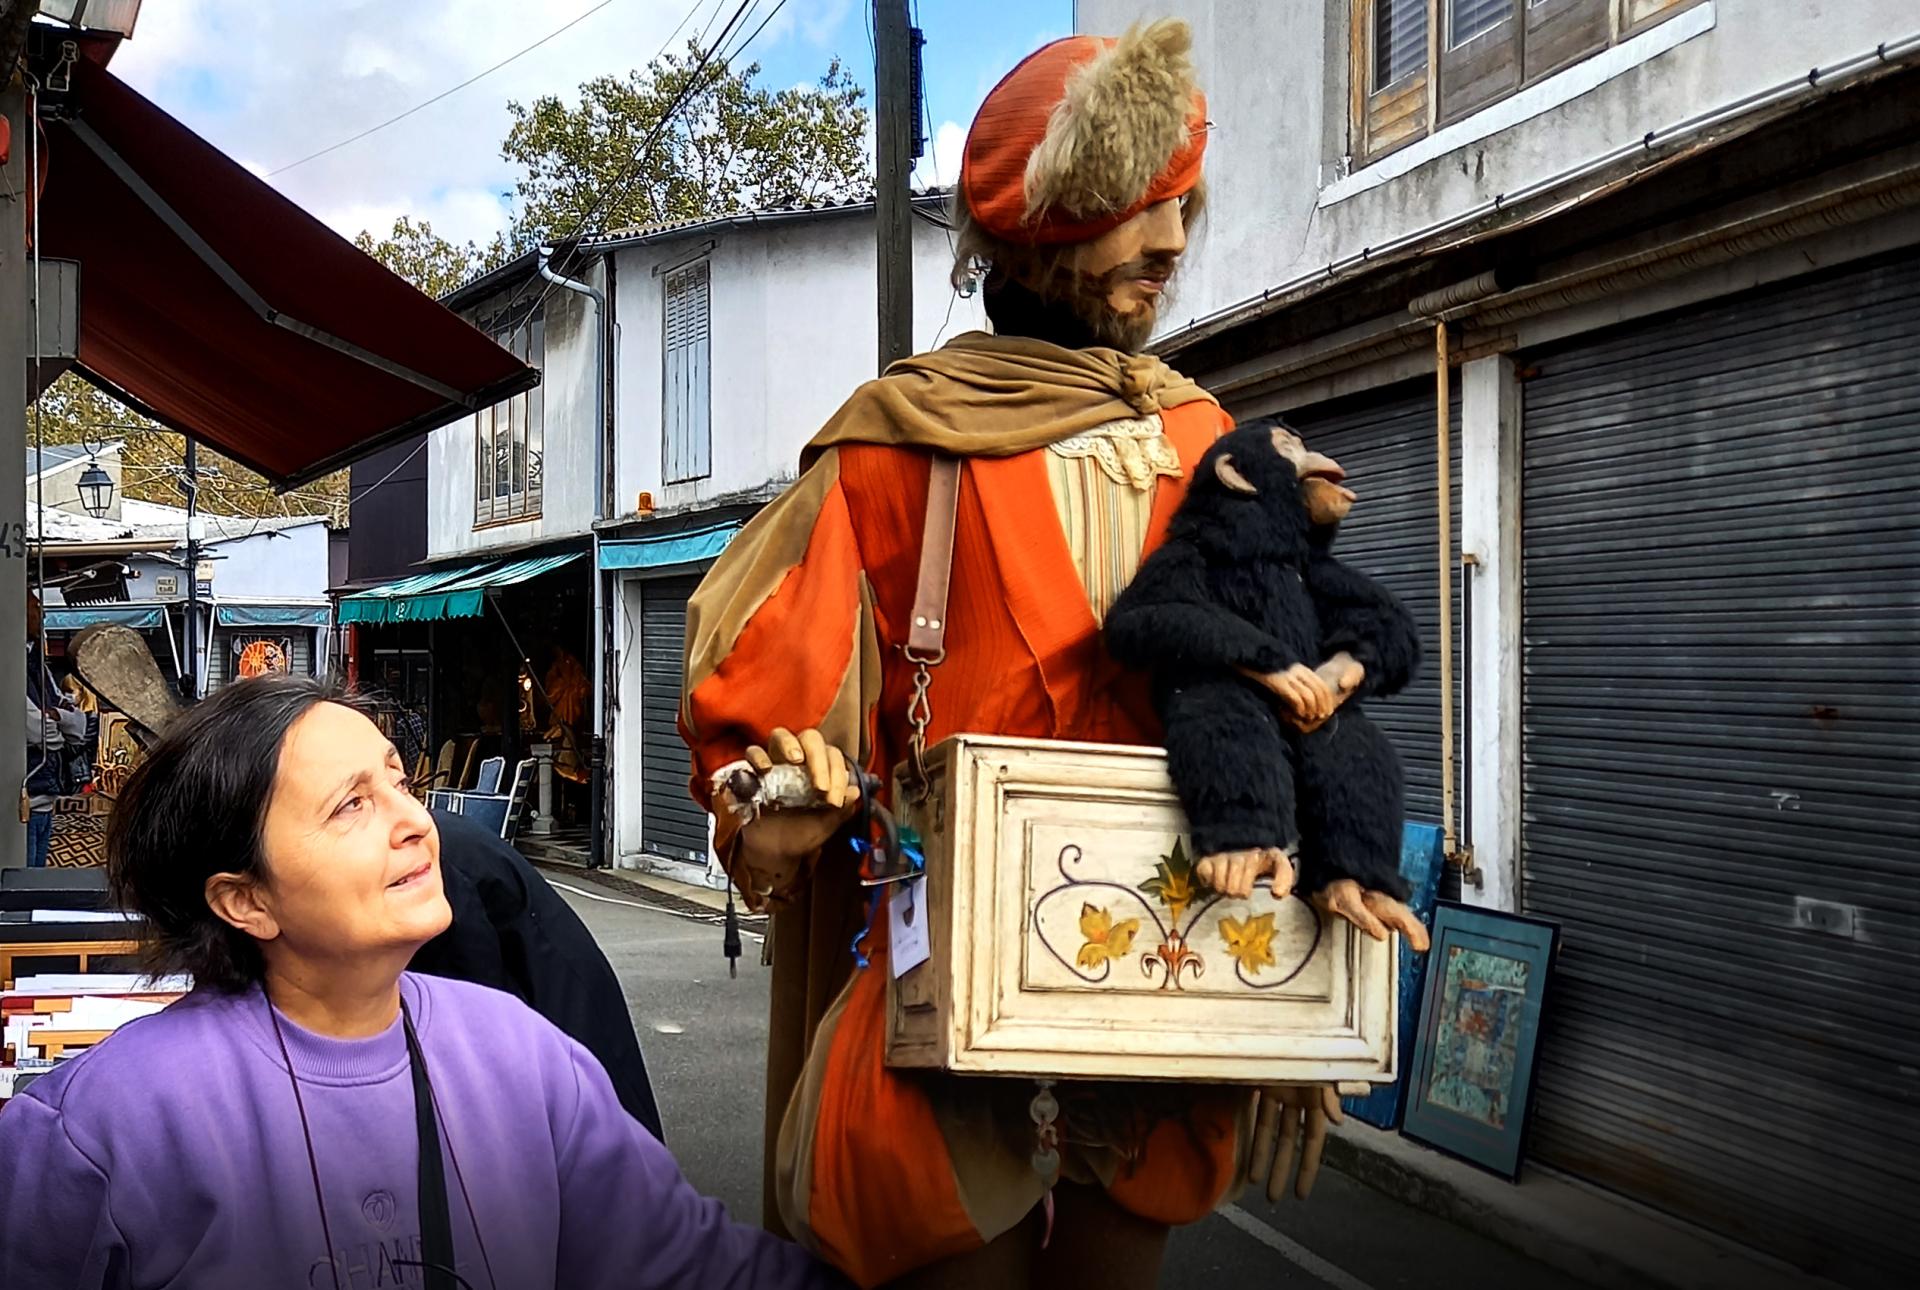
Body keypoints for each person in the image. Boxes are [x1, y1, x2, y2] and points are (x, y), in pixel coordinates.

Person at [678, 20, 1426, 1290]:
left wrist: (1312, 1008)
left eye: (1182, 201)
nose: (1175, 240)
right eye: (1139, 205)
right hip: (943, 1003)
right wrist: (769, 811)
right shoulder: (892, 446)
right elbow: (764, 746)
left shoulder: (1216, 444)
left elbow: (1306, 710)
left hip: (1171, 988)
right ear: (1042, 223)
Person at [0, 677, 841, 1290]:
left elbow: (694, 1269)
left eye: (399, 781)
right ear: (246, 899)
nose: (414, 821)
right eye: (350, 806)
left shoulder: (523, 1058)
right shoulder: (95, 1131)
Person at [414, 805, 666, 1139]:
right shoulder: (426, 840)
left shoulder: (427, 861)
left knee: (599, 1124)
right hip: (548, 974)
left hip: (548, 991)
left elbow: (473, 1002)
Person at [23, 594, 86, 869]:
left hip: (45, 796)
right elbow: (38, 730)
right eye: (35, 607)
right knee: (23, 887)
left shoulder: (37, 664)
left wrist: (59, 716)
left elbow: (79, 726)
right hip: (27, 796)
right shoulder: (13, 667)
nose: (42, 613)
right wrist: (61, 726)